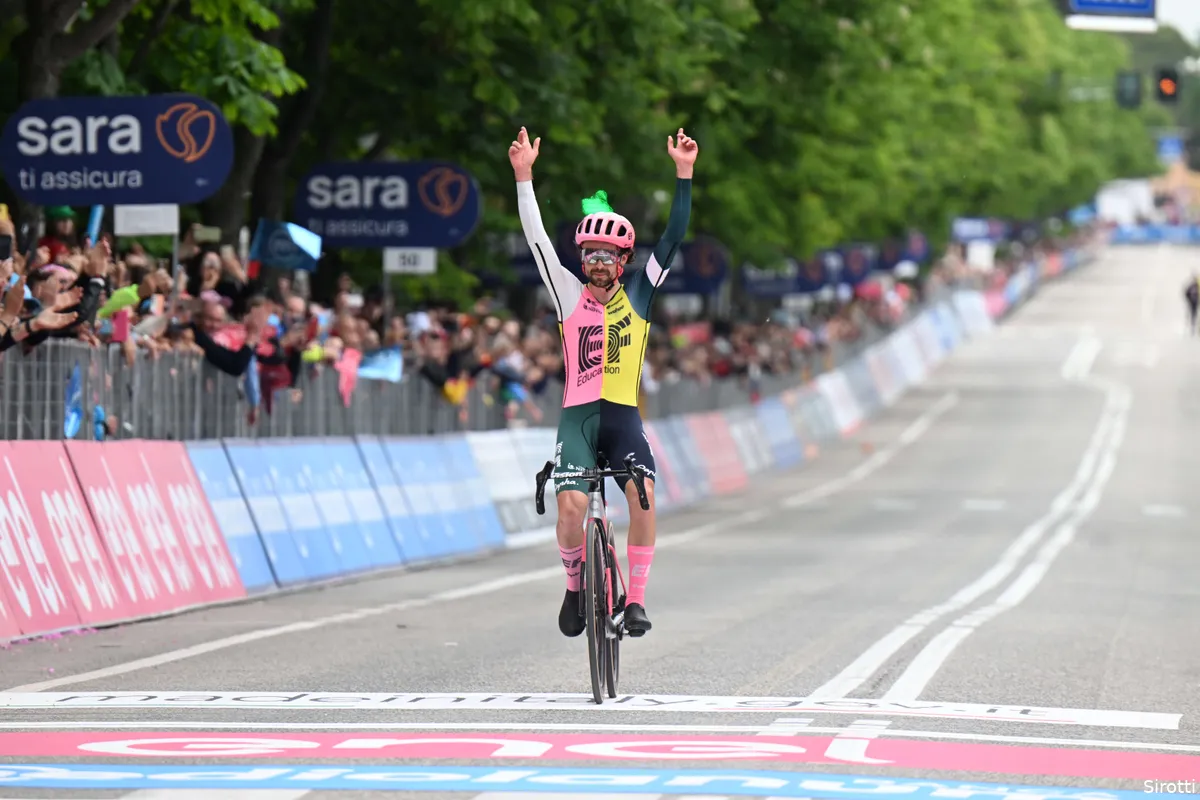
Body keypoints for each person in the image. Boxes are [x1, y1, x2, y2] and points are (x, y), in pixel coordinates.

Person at [508, 125, 698, 638]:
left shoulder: (640, 293)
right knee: (571, 507)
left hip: (622, 419)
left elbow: (674, 237)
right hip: (578, 420)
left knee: (643, 495)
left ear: (624, 260)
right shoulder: (567, 294)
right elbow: (536, 240)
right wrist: (524, 177)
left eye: (607, 255)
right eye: (590, 254)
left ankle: (634, 601)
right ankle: (575, 588)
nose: (597, 263)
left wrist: (683, 174)